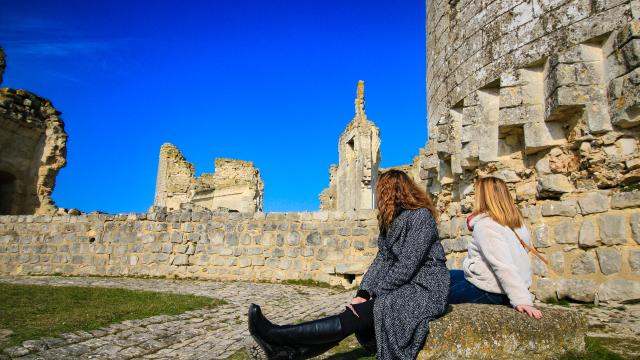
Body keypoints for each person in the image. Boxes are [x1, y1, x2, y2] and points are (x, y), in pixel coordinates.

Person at [248, 169, 450, 360]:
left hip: (425, 288)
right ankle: (286, 352)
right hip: (404, 287)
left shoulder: (421, 217)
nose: (379, 198)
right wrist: (362, 294)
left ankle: (277, 335)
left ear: (393, 193)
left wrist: (377, 295)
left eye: (382, 192)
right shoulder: (392, 221)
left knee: (360, 315)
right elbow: (382, 260)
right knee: (353, 313)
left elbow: (407, 264)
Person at [448, 176, 543, 319]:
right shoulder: (517, 224)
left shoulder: (486, 226)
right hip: (501, 285)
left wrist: (522, 300)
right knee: (442, 274)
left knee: (428, 291)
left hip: (492, 291)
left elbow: (503, 265)